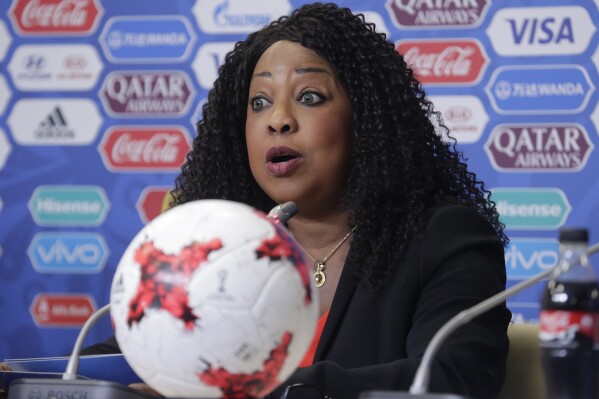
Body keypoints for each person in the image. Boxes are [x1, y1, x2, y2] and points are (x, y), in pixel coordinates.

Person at [54, 3, 512, 398]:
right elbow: (139, 354)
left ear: (366, 122)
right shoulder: (224, 245)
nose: (278, 120)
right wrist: (39, 376)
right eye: (259, 103)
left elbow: (453, 379)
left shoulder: (443, 236)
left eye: (309, 97)